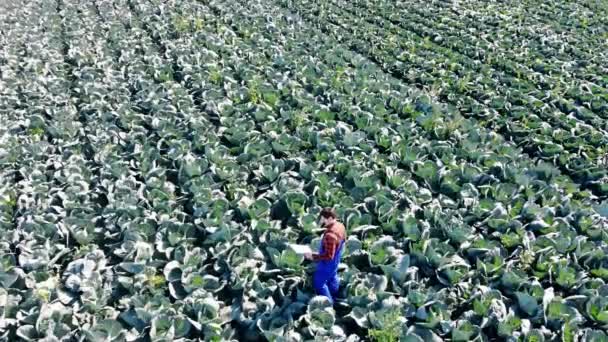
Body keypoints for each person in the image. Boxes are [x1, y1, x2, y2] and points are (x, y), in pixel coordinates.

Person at [304, 207, 347, 305]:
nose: (323, 221)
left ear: (331, 218)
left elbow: (328, 256)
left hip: (327, 264)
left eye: (324, 219)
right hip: (336, 260)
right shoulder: (340, 226)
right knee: (332, 277)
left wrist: (312, 257)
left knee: (319, 283)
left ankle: (329, 304)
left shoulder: (330, 236)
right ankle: (334, 295)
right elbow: (344, 240)